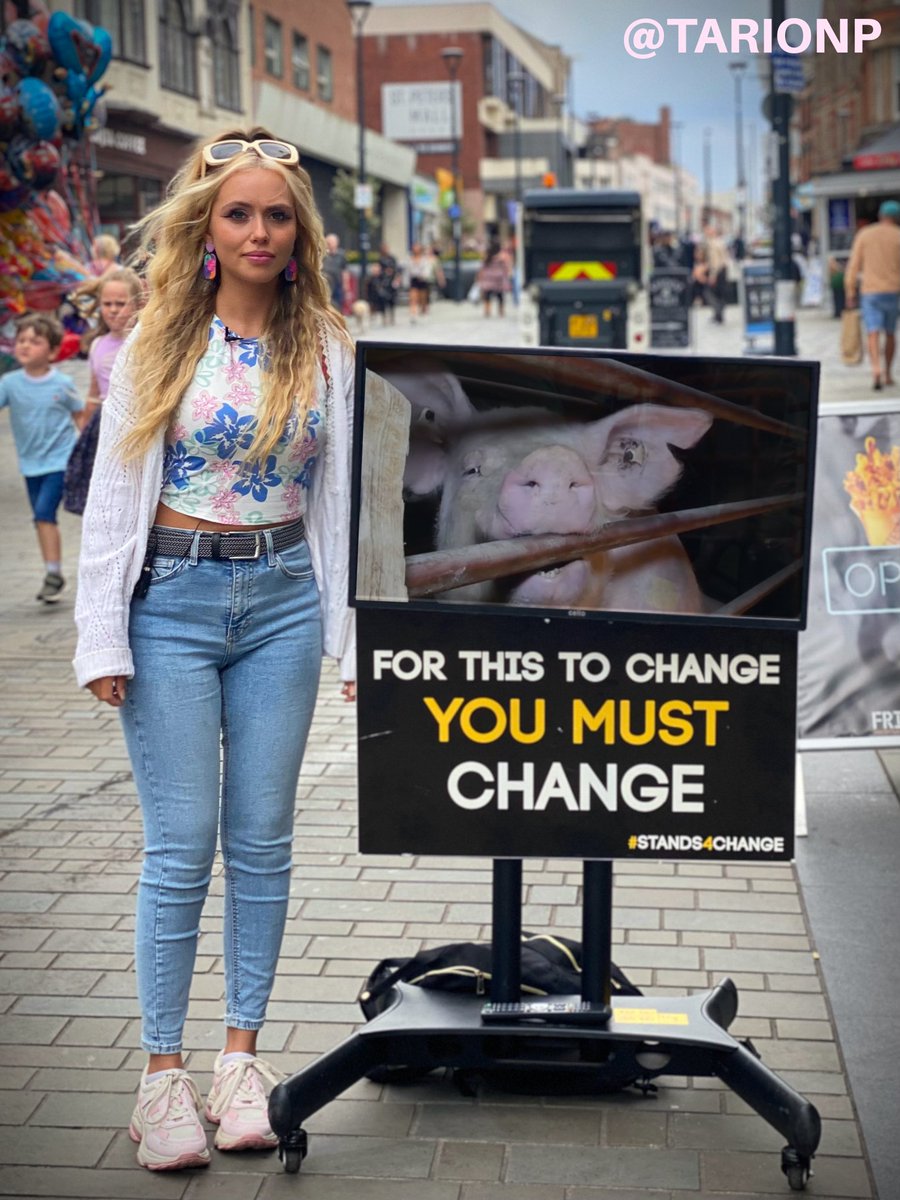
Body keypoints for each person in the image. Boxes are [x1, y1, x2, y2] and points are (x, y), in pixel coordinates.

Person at [73, 127, 357, 1172]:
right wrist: (101, 630)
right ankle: (162, 1079)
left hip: (284, 599)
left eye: (277, 215)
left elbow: (340, 497)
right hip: (173, 604)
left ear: (299, 232)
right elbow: (113, 495)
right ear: (205, 225)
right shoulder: (158, 338)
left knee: (265, 839)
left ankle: (241, 1063)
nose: (260, 231)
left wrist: (351, 633)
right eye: (239, 212)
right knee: (183, 842)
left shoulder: (327, 342)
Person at [0, 313, 84, 602]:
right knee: (41, 519)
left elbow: (80, 415)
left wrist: (90, 453)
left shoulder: (61, 384)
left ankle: (53, 573)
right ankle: (54, 571)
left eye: (34, 341)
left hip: (60, 461)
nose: (25, 345)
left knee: (43, 514)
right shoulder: (9, 384)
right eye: (21, 340)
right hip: (30, 463)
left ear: (51, 350)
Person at [63, 267, 144, 515]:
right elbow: (94, 392)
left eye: (121, 303)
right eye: (107, 303)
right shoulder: (97, 344)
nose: (113, 309)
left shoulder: (145, 341)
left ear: (138, 304)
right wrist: (85, 428)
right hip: (104, 428)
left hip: (136, 426)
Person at [844, 199, 900, 390]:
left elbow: (854, 264)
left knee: (873, 332)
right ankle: (888, 373)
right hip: (893, 291)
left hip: (870, 291)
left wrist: (850, 289)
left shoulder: (865, 235)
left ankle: (875, 368)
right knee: (891, 333)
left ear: (880, 216)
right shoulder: (898, 236)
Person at [702, 224, 731, 324]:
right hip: (723, 270)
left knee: (709, 293)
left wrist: (712, 275)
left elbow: (715, 261)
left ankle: (718, 313)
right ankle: (719, 314)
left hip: (718, 271)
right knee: (720, 294)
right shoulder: (720, 242)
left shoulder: (712, 244)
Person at [477, 239, 511, 317]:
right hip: (499, 279)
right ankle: (501, 310)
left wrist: (479, 278)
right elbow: (506, 267)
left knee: (487, 295)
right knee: (500, 295)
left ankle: (487, 310)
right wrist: (507, 275)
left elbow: (482, 268)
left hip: (488, 278)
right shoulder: (502, 257)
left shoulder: (487, 256)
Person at [405, 242, 436, 320]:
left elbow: (427, 269)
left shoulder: (424, 259)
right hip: (414, 279)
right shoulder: (409, 258)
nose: (416, 250)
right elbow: (407, 270)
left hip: (422, 280)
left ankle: (423, 308)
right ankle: (413, 313)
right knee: (413, 298)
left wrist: (424, 275)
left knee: (422, 298)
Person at [322, 232, 348, 311]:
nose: (329, 244)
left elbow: (345, 271)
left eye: (331, 242)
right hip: (325, 282)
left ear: (337, 243)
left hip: (337, 282)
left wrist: (346, 284)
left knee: (338, 303)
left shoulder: (341, 255)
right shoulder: (323, 254)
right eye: (328, 242)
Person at [378, 242, 399, 324]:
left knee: (392, 300)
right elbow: (378, 270)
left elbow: (396, 270)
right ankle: (384, 317)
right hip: (383, 282)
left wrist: (396, 279)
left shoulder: (392, 258)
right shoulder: (380, 259)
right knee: (383, 299)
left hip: (391, 282)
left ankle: (392, 316)